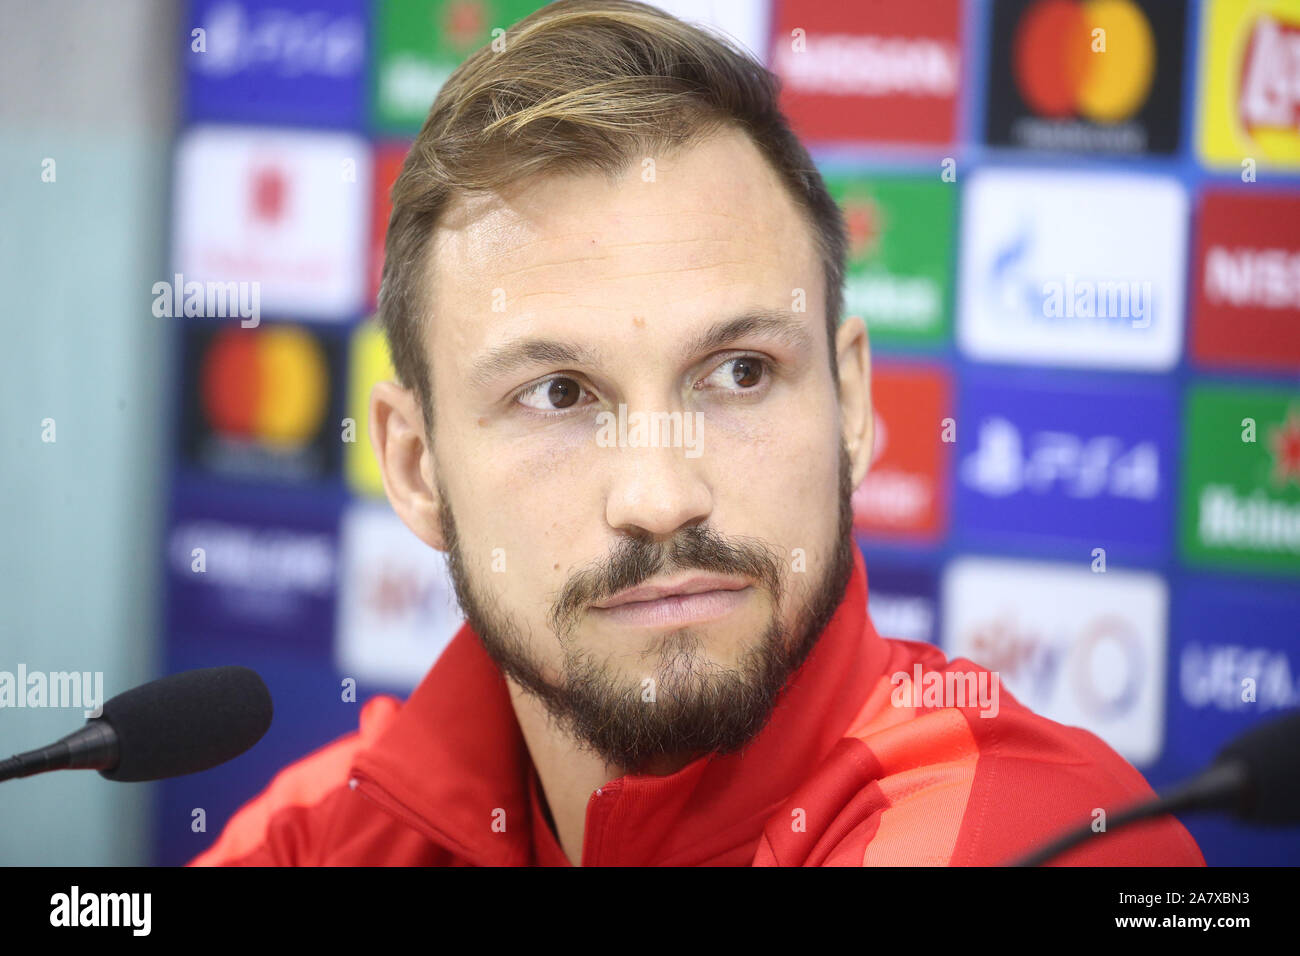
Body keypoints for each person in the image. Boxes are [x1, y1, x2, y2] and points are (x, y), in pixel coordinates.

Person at [190, 0, 1203, 867]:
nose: (661, 493)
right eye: (557, 394)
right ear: (415, 468)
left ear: (851, 404)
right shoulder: (312, 832)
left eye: (739, 372)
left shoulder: (1045, 835)